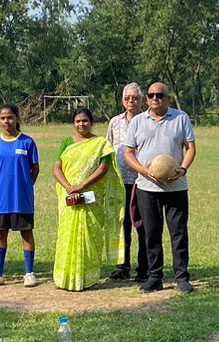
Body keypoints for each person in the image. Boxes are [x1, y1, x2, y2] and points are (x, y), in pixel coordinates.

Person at [124, 82, 197, 294]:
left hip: (176, 187)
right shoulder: (138, 121)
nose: (155, 98)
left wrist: (182, 169)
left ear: (168, 97)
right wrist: (142, 170)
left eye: (160, 95)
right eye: (151, 95)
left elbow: (190, 148)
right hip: (147, 187)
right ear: (146, 98)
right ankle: (154, 277)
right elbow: (129, 152)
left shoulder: (180, 118)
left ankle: (182, 277)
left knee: (179, 233)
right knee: (151, 234)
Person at [52, 107, 119, 291]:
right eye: (77, 121)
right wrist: (68, 186)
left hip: (90, 197)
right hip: (69, 197)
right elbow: (57, 167)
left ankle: (87, 277)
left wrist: (81, 186)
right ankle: (64, 277)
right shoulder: (66, 142)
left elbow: (103, 169)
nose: (81, 124)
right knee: (66, 234)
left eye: (85, 121)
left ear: (91, 122)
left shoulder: (101, 143)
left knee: (91, 234)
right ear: (73, 123)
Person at [0, 103, 40, 288]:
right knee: (0, 234)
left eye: (10, 117)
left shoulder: (27, 142)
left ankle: (29, 273)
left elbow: (35, 169)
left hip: (22, 198)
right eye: (2, 118)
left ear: (17, 118)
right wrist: (2, 185)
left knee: (26, 233)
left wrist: (24, 185)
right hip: (1, 198)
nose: (6, 121)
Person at [108, 83, 148, 282]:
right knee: (121, 225)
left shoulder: (147, 120)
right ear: (122, 100)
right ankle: (122, 267)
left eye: (135, 97)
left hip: (143, 181)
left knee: (142, 224)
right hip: (119, 181)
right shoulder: (115, 122)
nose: (131, 101)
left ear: (141, 100)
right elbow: (108, 148)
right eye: (127, 98)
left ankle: (144, 267)